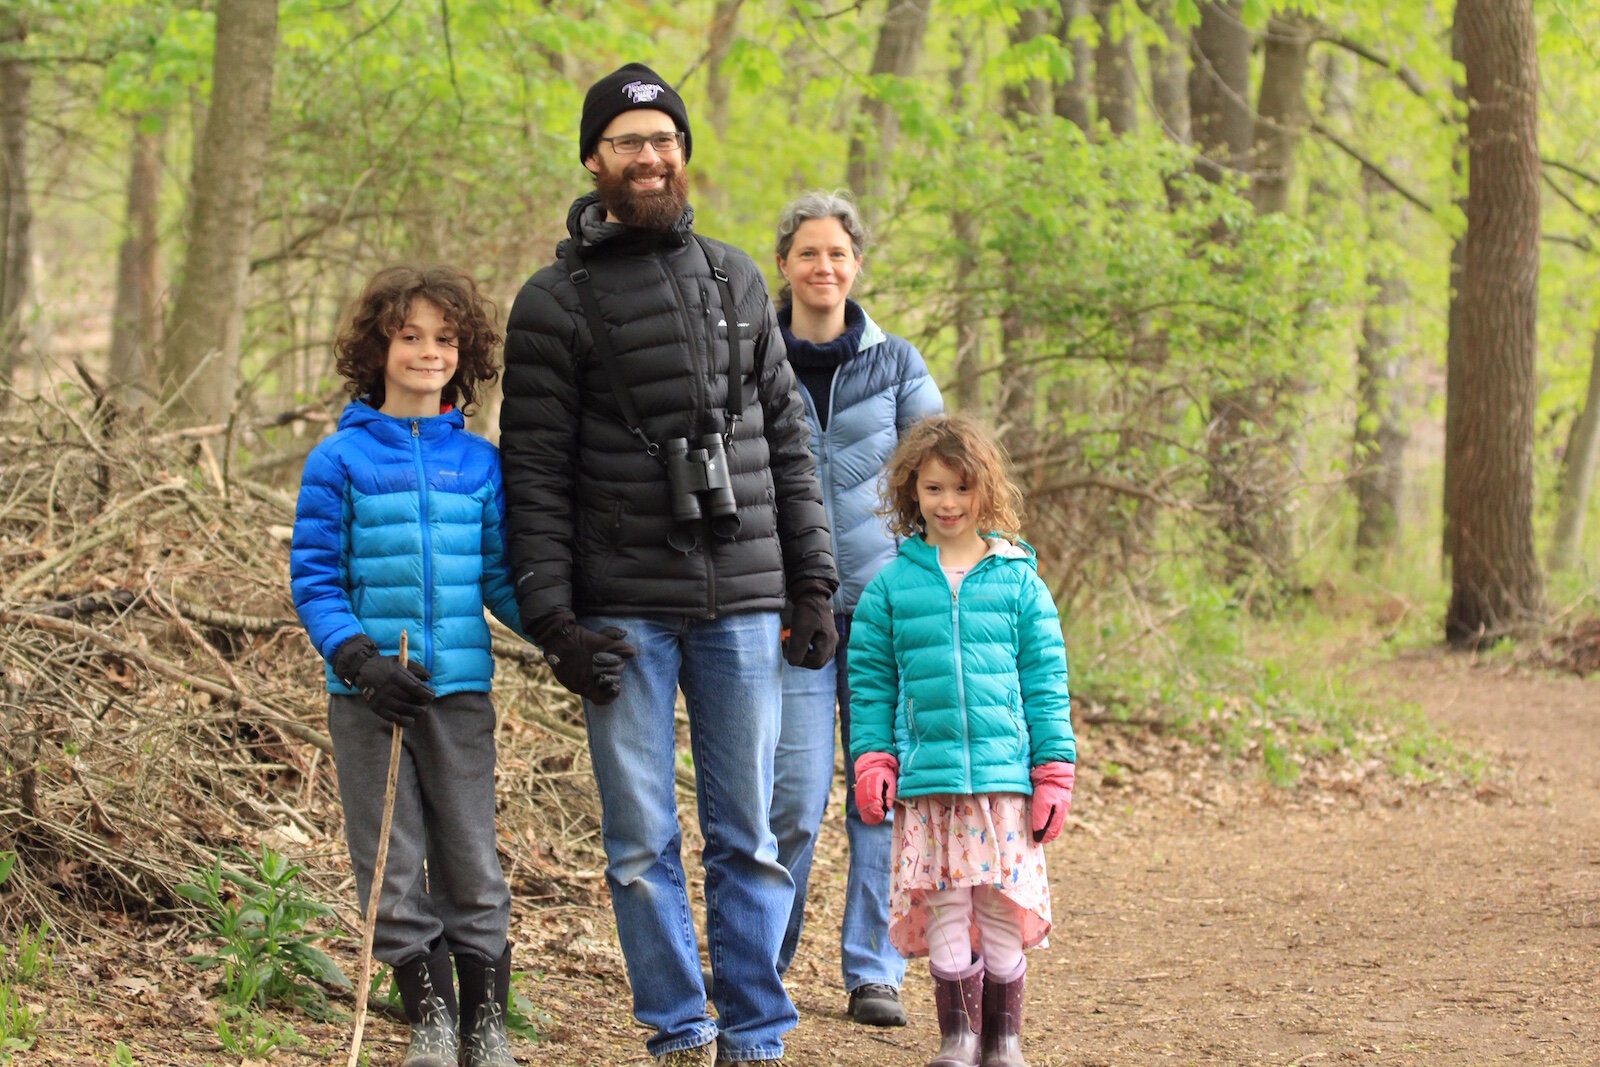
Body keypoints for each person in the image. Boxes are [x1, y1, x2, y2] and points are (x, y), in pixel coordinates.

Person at [497, 63, 839, 1066]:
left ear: (683, 153)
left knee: (753, 833)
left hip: (740, 599)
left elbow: (788, 444)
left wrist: (810, 582)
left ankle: (757, 1031)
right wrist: (553, 620)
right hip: (620, 611)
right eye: (627, 142)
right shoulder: (551, 301)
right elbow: (535, 472)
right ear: (595, 159)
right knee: (641, 842)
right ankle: (678, 1025)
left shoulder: (737, 277)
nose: (649, 159)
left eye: (663, 140)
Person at [290, 266, 522, 1067]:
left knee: (470, 854)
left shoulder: (481, 463)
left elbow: (499, 578)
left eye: (445, 338)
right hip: (369, 698)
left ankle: (485, 1024)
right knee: (389, 857)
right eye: (410, 335)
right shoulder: (339, 459)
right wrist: (358, 658)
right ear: (378, 346)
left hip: (458, 691)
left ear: (466, 353)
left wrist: (564, 634)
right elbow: (314, 577)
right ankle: (426, 1013)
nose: (428, 351)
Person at [848, 413, 1076, 1067]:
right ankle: (959, 1037)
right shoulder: (892, 588)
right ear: (911, 494)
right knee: (946, 907)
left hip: (1005, 783)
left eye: (961, 488)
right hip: (928, 783)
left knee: (999, 909)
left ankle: (1004, 1039)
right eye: (933, 489)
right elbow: (869, 683)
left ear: (985, 490)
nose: (948, 503)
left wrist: (1053, 769)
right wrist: (873, 758)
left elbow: (1046, 680)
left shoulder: (1018, 581)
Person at [765, 190, 943, 1027]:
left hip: (882, 614)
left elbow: (943, 474)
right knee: (793, 798)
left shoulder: (899, 362)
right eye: (808, 253)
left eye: (837, 252)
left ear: (856, 263)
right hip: (790, 611)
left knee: (879, 793)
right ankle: (769, 961)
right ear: (786, 264)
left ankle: (875, 970)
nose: (823, 267)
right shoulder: (752, 356)